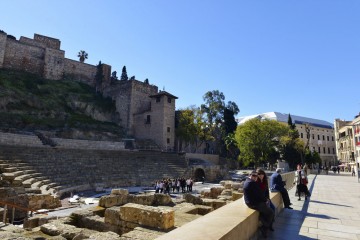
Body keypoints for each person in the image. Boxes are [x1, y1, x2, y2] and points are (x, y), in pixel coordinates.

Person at [244, 170, 275, 238]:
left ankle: (265, 228)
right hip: (254, 203)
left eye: (256, 176)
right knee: (271, 213)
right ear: (250, 175)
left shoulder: (247, 181)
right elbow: (259, 195)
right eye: (253, 175)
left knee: (267, 211)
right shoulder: (252, 183)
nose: (255, 177)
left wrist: (265, 199)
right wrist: (265, 200)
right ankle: (264, 227)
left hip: (250, 202)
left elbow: (258, 194)